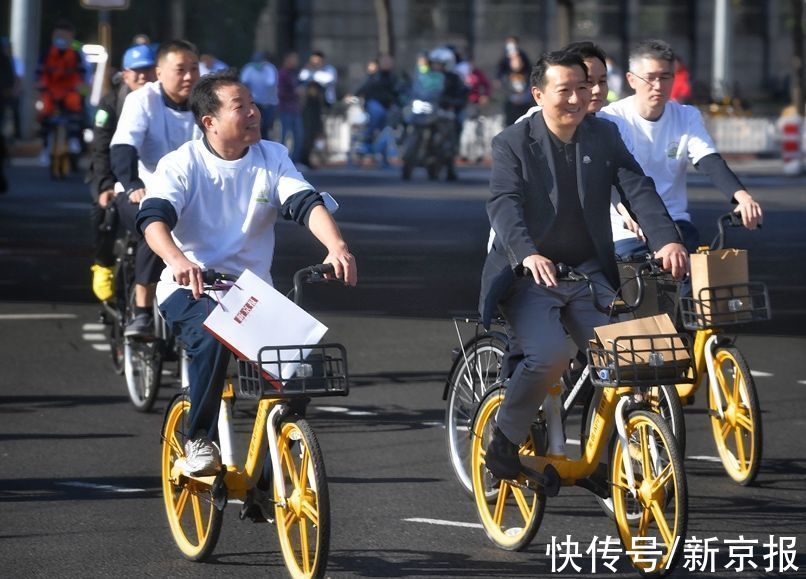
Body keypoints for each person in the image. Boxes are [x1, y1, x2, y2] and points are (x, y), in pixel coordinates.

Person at [136, 70, 357, 476]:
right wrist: (177, 260)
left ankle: (272, 466)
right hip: (191, 288)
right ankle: (199, 438)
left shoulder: (272, 156)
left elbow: (305, 202)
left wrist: (335, 245)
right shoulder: (181, 164)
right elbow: (153, 220)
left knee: (302, 367)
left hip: (252, 294)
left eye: (253, 104)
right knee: (214, 335)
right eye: (241, 107)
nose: (254, 112)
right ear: (210, 122)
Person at [479, 50, 688, 480]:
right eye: (565, 90)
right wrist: (528, 252)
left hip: (586, 272)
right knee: (551, 354)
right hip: (529, 277)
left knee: (629, 357)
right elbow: (504, 203)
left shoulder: (603, 135)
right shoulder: (513, 142)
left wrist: (667, 240)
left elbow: (639, 189)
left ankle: (607, 457)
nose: (577, 98)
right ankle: (503, 437)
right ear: (538, 94)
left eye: (584, 87)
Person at [599, 39, 762, 259]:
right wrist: (622, 209)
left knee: (692, 283)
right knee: (634, 284)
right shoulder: (611, 118)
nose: (658, 86)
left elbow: (709, 160)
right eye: (650, 78)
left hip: (675, 221)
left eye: (665, 77)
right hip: (628, 226)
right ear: (631, 79)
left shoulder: (686, 116)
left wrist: (742, 197)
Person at [110, 39, 201, 336]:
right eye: (180, 70)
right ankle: (141, 311)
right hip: (144, 188)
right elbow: (123, 146)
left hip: (190, 193)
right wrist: (132, 183)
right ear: (159, 72)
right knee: (155, 225)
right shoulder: (142, 100)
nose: (189, 76)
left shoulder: (205, 101)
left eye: (194, 69)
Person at [86, 44, 157, 301]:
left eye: (148, 70)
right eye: (136, 71)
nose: (143, 76)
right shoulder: (110, 103)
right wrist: (105, 185)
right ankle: (103, 263)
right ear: (125, 74)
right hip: (115, 175)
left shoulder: (165, 101)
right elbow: (101, 149)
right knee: (103, 212)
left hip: (152, 178)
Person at [36, 20, 87, 163]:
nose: (61, 39)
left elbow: (82, 74)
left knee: (76, 106)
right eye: (59, 35)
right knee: (43, 112)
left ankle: (74, 140)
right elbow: (39, 72)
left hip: (70, 91)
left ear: (71, 37)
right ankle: (45, 148)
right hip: (50, 91)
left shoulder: (76, 55)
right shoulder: (46, 53)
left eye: (65, 36)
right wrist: (40, 85)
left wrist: (81, 87)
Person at [354, 53, 401, 161]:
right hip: (374, 105)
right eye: (384, 61)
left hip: (388, 107)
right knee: (377, 112)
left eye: (389, 61)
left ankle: (384, 154)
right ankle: (367, 142)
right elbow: (363, 88)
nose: (387, 63)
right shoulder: (374, 77)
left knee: (388, 128)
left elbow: (399, 93)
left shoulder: (394, 78)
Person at [298, 51, 338, 168]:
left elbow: (328, 79)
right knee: (309, 131)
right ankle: (308, 157)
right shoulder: (306, 70)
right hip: (310, 106)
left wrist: (314, 75)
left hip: (324, 105)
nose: (315, 64)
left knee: (322, 131)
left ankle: (322, 156)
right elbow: (302, 78)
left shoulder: (329, 70)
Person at [240, 51, 279, 140]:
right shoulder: (248, 68)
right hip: (254, 103)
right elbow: (244, 83)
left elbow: (270, 84)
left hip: (268, 103)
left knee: (266, 128)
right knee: (254, 126)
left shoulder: (270, 68)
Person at [277, 52, 303, 162]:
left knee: (298, 136)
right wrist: (296, 93)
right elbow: (280, 93)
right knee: (285, 136)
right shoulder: (282, 74)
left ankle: (293, 160)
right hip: (285, 109)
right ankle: (283, 161)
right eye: (294, 59)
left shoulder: (293, 74)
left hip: (294, 109)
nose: (296, 62)